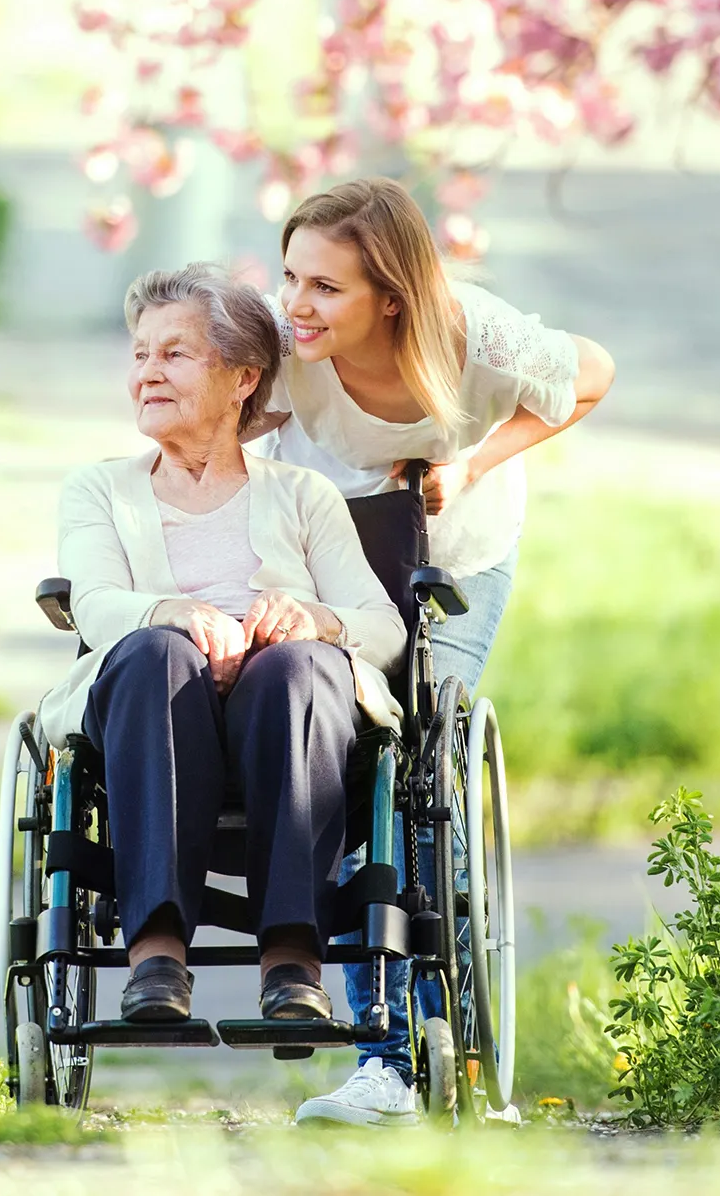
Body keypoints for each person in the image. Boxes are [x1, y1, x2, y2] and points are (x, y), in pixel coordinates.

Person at [254, 177, 616, 1127]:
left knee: (416, 774)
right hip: (328, 560)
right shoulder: (278, 340)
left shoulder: (472, 335)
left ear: (392, 297)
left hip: (451, 557)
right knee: (340, 764)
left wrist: (474, 461)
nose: (297, 304)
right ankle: (384, 1063)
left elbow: (593, 373)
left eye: (325, 287)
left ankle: (433, 1048)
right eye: (291, 276)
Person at [40, 263, 409, 1028]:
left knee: (298, 667)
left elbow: (384, 627)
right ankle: (157, 958)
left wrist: (315, 619)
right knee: (156, 653)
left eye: (174, 354)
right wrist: (171, 612)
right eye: (140, 354)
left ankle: (292, 964)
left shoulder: (302, 496)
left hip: (287, 716)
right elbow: (97, 606)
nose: (148, 373)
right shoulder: (98, 489)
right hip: (150, 706)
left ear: (243, 379)